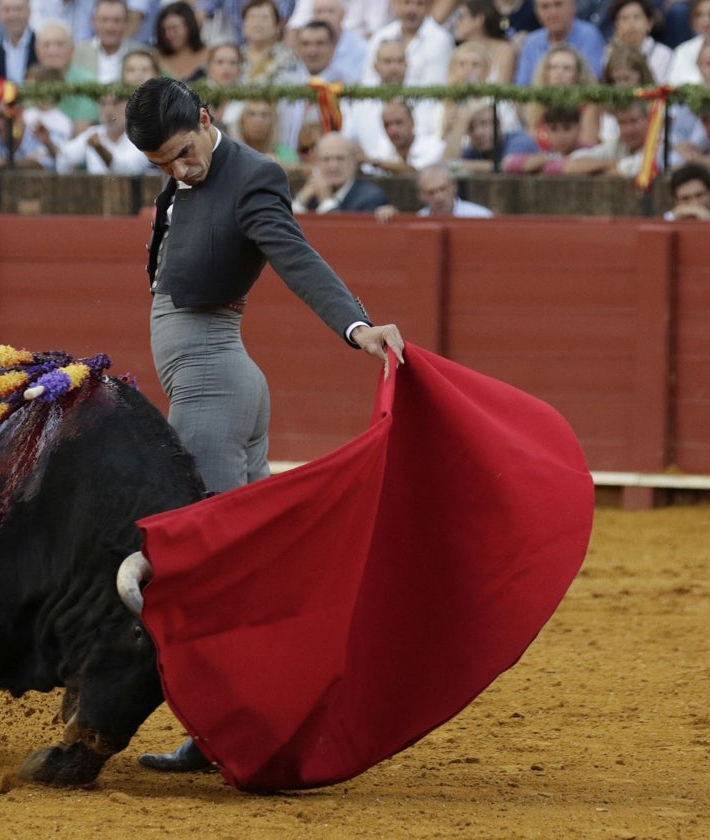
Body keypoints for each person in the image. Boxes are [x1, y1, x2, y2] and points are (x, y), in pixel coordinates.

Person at [125, 77, 404, 774]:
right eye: (163, 164)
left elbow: (295, 256)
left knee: (214, 568)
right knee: (247, 568)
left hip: (216, 388)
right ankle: (258, 722)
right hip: (218, 385)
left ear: (208, 119)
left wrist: (356, 325)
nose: (179, 171)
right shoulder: (181, 177)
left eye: (184, 155)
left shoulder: (254, 178)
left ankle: (228, 732)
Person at [52, 93, 151, 173]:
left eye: (116, 103)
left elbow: (128, 170)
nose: (108, 110)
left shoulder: (142, 136)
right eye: (103, 104)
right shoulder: (93, 133)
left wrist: (100, 149)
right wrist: (47, 140)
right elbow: (65, 155)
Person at [364, 0, 455, 86]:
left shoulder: (440, 40)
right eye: (407, 2)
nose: (412, 10)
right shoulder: (380, 36)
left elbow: (436, 88)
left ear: (429, 7)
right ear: (395, 4)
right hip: (378, 101)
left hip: (423, 101)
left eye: (420, 4)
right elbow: (368, 80)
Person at [291, 131, 387, 212]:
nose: (333, 166)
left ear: (354, 162)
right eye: (326, 159)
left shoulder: (370, 197)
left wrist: (326, 201)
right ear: (317, 163)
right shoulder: (310, 196)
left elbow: (342, 233)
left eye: (340, 159)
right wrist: (301, 200)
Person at [514, 0, 606, 83]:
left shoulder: (589, 35)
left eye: (558, 4)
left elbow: (592, 82)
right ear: (537, 12)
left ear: (573, 7)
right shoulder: (531, 42)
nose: (552, 13)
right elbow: (522, 87)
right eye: (545, 7)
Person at [72, 0, 145, 83]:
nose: (110, 27)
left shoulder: (141, 52)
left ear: (126, 22)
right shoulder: (78, 52)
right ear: (93, 21)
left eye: (116, 20)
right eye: (104, 20)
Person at [367, 98, 447, 174]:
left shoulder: (434, 146)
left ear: (412, 122)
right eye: (387, 125)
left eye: (398, 123)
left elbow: (417, 173)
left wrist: (377, 163)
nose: (392, 131)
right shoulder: (381, 150)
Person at [450, 0, 518, 82]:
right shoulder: (459, 51)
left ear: (479, 19)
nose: (456, 23)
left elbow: (503, 89)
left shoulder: (505, 51)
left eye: (461, 17)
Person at [605, 0, 672, 81]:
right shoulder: (608, 54)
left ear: (649, 23)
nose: (631, 23)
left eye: (636, 17)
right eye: (624, 18)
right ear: (616, 26)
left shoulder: (664, 54)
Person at [0, 0, 37, 84]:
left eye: (18, 9)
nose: (13, 15)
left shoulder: (41, 46)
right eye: (7, 10)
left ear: (29, 12)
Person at [153, 1, 208, 81]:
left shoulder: (209, 56)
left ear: (189, 26)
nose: (169, 35)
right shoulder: (156, 58)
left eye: (175, 28)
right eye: (164, 30)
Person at [415, 163, 493, 216]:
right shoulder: (418, 221)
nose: (438, 197)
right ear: (422, 196)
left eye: (443, 189)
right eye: (431, 193)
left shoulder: (479, 216)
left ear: (453, 187)